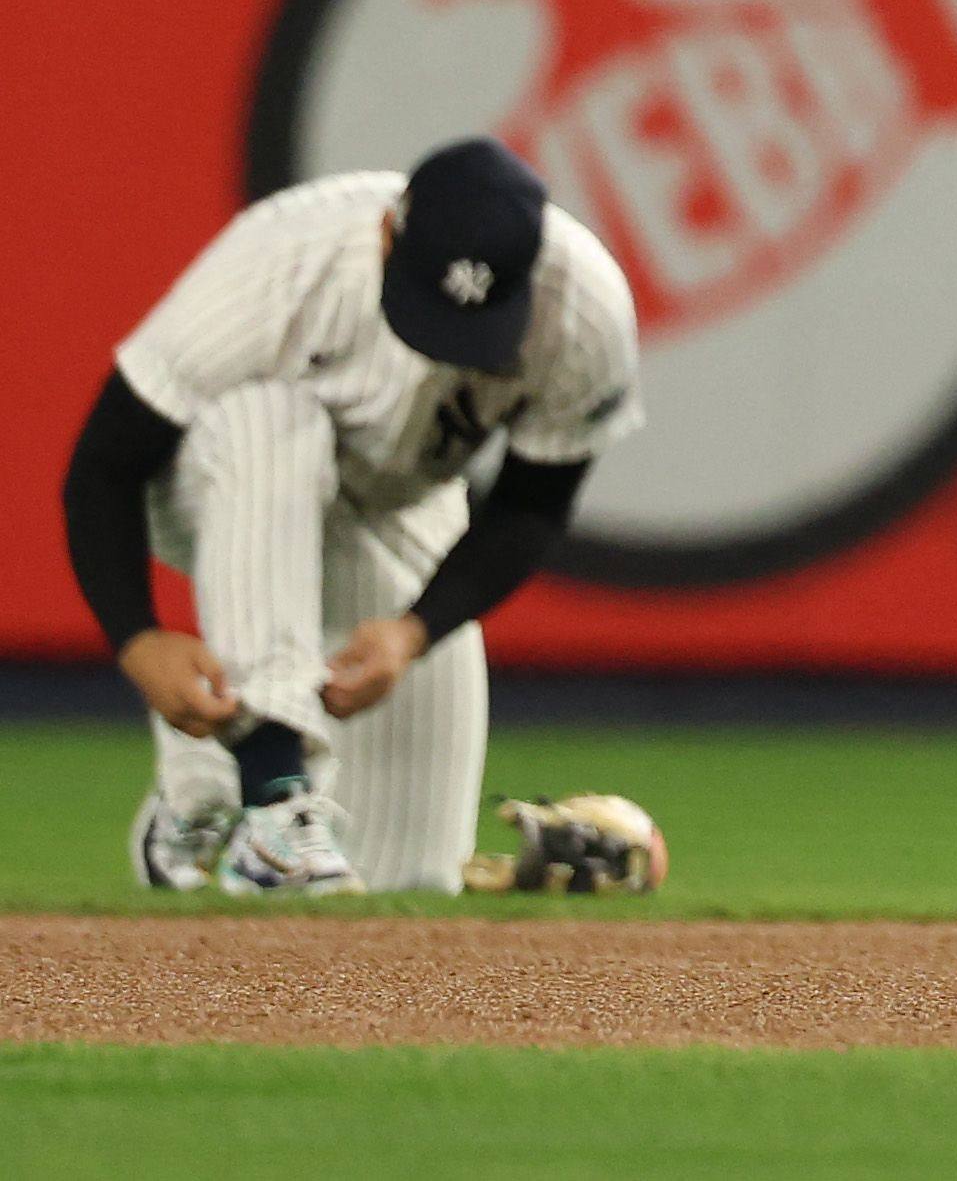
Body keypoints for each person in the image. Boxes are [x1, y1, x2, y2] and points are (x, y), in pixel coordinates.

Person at [54, 138, 643, 895]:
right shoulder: (283, 259)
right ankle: (270, 796)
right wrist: (136, 640)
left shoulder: (584, 312)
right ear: (386, 234)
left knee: (408, 881)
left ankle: (200, 788)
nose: (447, 345)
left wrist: (413, 629)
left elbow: (534, 505)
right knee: (270, 422)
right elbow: (103, 464)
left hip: (404, 500)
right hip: (214, 481)